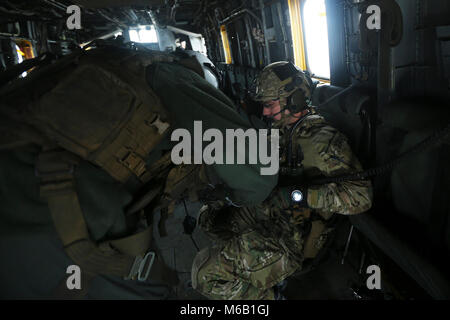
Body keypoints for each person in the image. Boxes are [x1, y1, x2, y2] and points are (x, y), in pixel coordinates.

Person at [0, 42, 277, 299]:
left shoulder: (114, 63)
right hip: (56, 209)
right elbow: (258, 174)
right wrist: (232, 198)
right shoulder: (175, 78)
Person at [191, 61, 373, 300]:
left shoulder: (321, 141)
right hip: (270, 214)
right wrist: (227, 191)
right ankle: (253, 268)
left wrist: (298, 196)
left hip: (291, 238)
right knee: (209, 218)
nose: (265, 112)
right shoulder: (283, 131)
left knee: (205, 275)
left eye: (269, 104)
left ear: (294, 100)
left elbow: (362, 197)